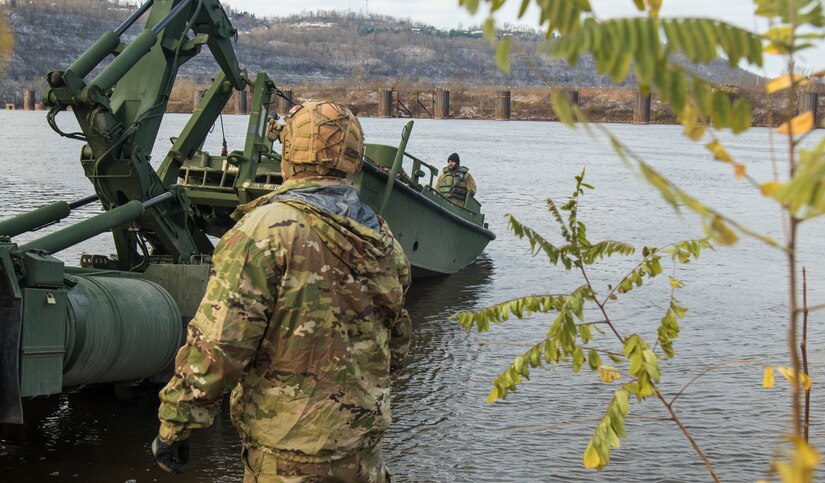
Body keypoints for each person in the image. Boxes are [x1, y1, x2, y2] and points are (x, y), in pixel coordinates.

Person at [151, 101, 412, 482]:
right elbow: (398, 341)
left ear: (288, 154)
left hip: (289, 456)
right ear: (354, 160)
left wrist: (175, 425)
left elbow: (219, 345)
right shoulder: (382, 238)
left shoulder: (263, 231)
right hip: (363, 454)